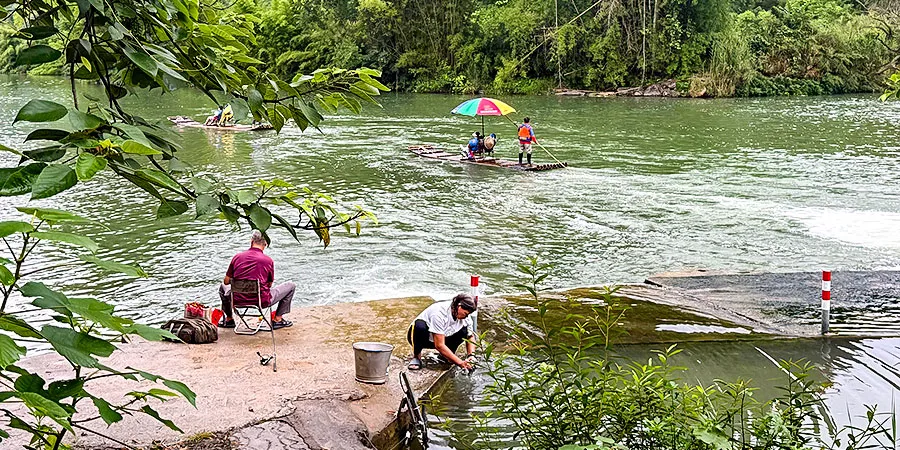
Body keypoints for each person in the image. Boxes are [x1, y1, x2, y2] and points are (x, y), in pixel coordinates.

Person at [218, 230, 295, 329]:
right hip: (261, 301)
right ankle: (277, 319)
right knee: (291, 286)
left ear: (251, 241)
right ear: (266, 244)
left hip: (237, 300)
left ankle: (229, 319)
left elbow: (226, 281)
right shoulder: (268, 261)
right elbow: (269, 284)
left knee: (222, 286)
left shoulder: (237, 257)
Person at [407, 294, 477, 371]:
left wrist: (471, 355)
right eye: (465, 314)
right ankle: (416, 357)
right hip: (423, 338)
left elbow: (470, 336)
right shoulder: (439, 312)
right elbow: (439, 345)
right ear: (459, 306)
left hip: (445, 336)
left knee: (464, 330)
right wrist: (460, 363)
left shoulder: (465, 317)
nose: (466, 316)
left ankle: (446, 356)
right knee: (420, 326)